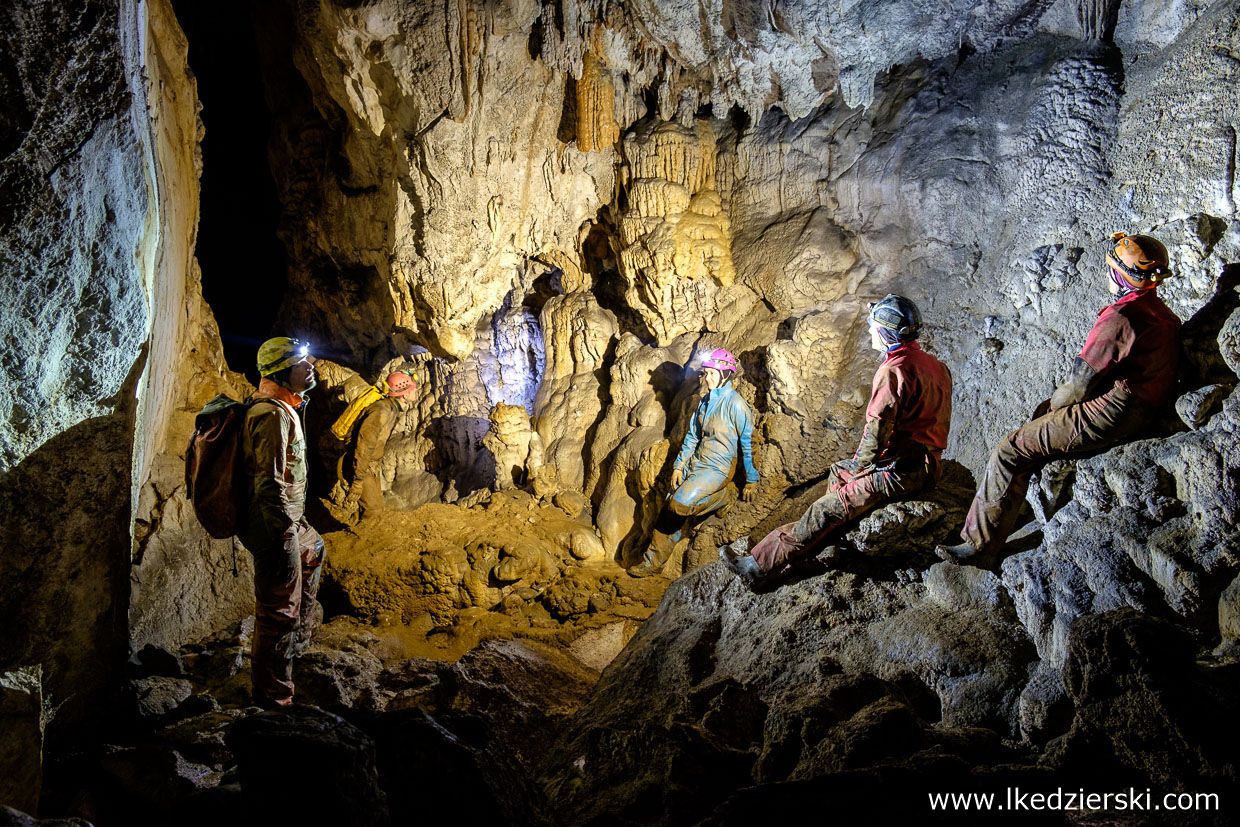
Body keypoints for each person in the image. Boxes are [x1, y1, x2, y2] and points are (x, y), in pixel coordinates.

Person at [939, 232, 1180, 570]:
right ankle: (1013, 509)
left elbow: (1080, 385)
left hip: (1114, 413)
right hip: (1143, 407)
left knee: (1011, 450)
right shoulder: (1162, 314)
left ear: (1118, 273)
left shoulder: (1122, 317)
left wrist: (1053, 408)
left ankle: (978, 546)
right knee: (1039, 423)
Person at [722, 295, 952, 587]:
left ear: (884, 332)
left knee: (825, 508)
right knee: (837, 471)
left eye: (872, 327)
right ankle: (829, 541)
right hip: (927, 463)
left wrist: (860, 467)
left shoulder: (893, 371)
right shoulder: (935, 366)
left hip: (900, 473)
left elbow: (876, 432)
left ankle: (757, 564)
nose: (869, 332)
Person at [239, 336, 327, 708]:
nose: (311, 369)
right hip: (274, 525)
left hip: (288, 519)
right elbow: (267, 482)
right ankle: (274, 700)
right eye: (302, 364)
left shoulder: (284, 407)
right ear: (281, 372)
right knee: (278, 610)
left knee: (316, 548)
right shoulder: (270, 414)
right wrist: (284, 534)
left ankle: (296, 648)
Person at [627, 349, 759, 578]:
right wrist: (679, 465)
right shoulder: (706, 402)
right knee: (670, 504)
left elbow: (748, 444)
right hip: (698, 462)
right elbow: (692, 437)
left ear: (725, 374)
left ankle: (723, 496)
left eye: (711, 374)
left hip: (720, 466)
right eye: (705, 374)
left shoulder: (736, 405)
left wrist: (751, 479)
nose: (706, 379)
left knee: (679, 504)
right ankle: (653, 560)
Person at [334, 370, 417, 523]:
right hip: (359, 465)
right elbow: (364, 446)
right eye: (413, 388)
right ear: (404, 394)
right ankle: (357, 544)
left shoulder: (391, 409)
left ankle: (357, 534)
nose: (416, 390)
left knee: (373, 509)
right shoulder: (381, 411)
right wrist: (358, 481)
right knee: (373, 512)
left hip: (369, 466)